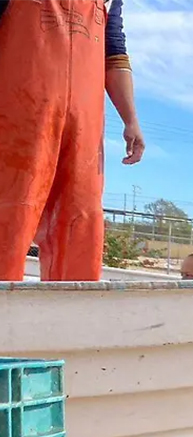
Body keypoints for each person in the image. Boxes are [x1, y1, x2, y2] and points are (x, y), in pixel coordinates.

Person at [0, 0, 146, 282]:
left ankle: (71, 317)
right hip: (15, 120)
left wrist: (131, 119)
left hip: (84, 131)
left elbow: (114, 52)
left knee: (79, 222)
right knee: (9, 212)